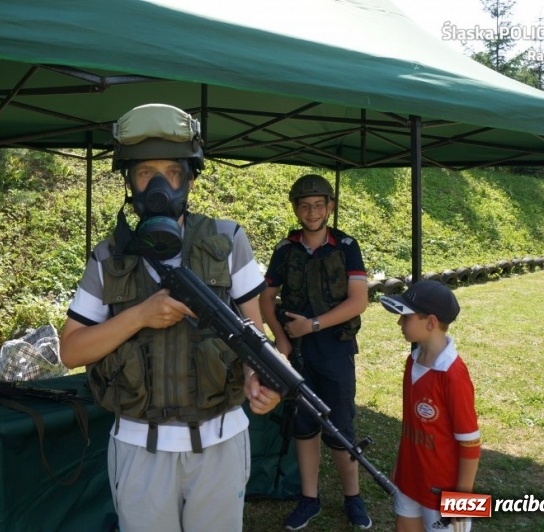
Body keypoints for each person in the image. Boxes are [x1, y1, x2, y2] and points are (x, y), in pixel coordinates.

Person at [59, 103, 281, 532]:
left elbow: (256, 334)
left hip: (220, 441)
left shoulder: (226, 240)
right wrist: (140, 315)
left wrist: (260, 380)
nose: (158, 185)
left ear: (189, 178)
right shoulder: (109, 256)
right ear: (130, 181)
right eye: (145, 173)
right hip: (141, 447)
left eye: (171, 173)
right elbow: (71, 351)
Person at [259, 174, 371, 530]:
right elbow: (265, 298)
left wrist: (315, 325)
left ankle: (353, 498)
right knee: (304, 426)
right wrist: (281, 338)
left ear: (330, 207)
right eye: (304, 206)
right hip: (298, 353)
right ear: (295, 209)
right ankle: (310, 499)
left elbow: (359, 300)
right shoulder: (284, 249)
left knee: (340, 426)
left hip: (335, 350)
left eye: (319, 205)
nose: (311, 212)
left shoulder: (347, 246)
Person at [380, 280, 481, 532]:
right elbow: (410, 423)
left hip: (444, 490)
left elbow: (470, 443)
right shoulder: (412, 361)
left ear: (430, 322)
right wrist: (399, 464)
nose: (399, 323)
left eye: (406, 317)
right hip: (410, 476)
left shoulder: (453, 374)